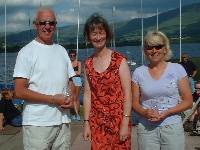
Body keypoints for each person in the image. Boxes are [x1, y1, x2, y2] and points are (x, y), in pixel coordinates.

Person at [13, 7, 75, 150]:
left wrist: (70, 96)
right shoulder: (26, 52)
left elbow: (70, 82)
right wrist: (53, 99)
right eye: (43, 23)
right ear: (35, 25)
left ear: (56, 24)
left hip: (63, 122)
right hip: (38, 124)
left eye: (51, 23)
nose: (47, 27)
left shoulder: (61, 51)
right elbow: (19, 91)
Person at [132, 30, 193, 150]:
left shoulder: (177, 69)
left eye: (158, 46)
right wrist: (144, 112)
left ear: (165, 49)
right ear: (145, 50)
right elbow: (134, 102)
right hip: (147, 129)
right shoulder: (139, 72)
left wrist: (167, 112)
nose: (154, 51)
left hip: (172, 128)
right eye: (149, 47)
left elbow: (188, 101)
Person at [82, 13, 132, 150]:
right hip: (97, 123)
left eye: (101, 33)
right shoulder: (87, 64)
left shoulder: (120, 60)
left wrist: (125, 123)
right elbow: (87, 95)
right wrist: (86, 123)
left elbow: (128, 94)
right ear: (88, 37)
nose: (98, 37)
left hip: (119, 121)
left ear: (107, 34)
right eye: (94, 34)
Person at [68, 49, 82, 121]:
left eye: (74, 55)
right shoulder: (69, 63)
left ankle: (77, 114)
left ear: (75, 55)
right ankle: (76, 113)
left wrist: (72, 72)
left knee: (76, 97)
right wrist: (74, 72)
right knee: (73, 98)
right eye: (71, 56)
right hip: (71, 81)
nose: (72, 57)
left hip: (77, 81)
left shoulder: (78, 63)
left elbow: (79, 73)